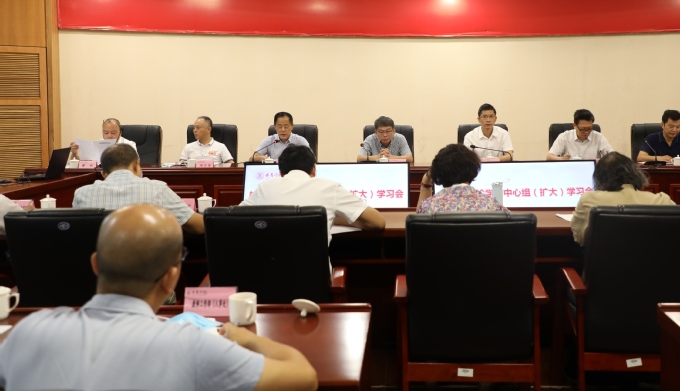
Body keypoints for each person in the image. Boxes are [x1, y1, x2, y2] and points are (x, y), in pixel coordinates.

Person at [0, 203, 318, 391]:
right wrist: (245, 338)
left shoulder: (28, 331)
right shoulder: (193, 346)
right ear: (171, 278)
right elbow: (304, 377)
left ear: (95, 264)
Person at [241, 145, 385, 246]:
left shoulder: (264, 187)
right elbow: (378, 222)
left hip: (268, 277)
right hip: (315, 279)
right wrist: (335, 219)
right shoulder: (330, 187)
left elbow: (233, 219)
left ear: (281, 172)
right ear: (314, 169)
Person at [73, 144, 204, 234]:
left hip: (101, 264)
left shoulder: (82, 194)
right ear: (136, 164)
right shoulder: (157, 189)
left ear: (103, 174)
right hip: (148, 265)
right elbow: (199, 226)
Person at [571, 152, 675, 246]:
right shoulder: (662, 201)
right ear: (636, 174)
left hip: (605, 261)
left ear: (598, 178)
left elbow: (580, 238)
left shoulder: (588, 200)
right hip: (652, 261)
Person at [417, 143, 509, 214]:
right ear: (473, 170)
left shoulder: (428, 206)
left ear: (438, 174)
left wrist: (425, 185)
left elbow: (417, 223)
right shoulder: (493, 205)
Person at [547, 109, 613, 161]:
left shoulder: (598, 137)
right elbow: (549, 157)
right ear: (574, 125)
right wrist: (562, 159)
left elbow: (612, 156)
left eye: (589, 128)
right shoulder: (564, 137)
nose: (586, 132)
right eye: (583, 129)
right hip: (570, 171)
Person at [69, 117, 137, 160]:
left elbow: (134, 164)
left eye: (113, 133)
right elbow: (82, 164)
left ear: (120, 133)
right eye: (106, 133)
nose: (109, 136)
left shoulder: (129, 145)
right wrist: (74, 153)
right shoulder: (96, 144)